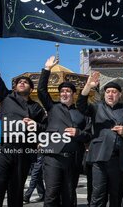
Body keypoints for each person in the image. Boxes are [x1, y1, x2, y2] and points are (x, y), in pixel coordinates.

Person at [0, 34, 47, 207]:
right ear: (14, 86)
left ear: (31, 88)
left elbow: (46, 128)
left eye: (25, 82)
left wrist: (37, 125)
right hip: (3, 149)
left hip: (23, 151)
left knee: (16, 192)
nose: (21, 83)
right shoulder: (6, 97)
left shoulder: (36, 108)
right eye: (19, 81)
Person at [38, 56, 91, 206]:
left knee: (69, 195)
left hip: (73, 160)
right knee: (52, 194)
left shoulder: (82, 113)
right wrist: (46, 69)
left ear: (73, 94)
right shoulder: (53, 108)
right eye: (62, 91)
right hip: (53, 158)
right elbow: (41, 91)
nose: (64, 93)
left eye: (68, 91)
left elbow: (89, 134)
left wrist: (78, 133)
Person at [77, 71, 123, 207]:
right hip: (100, 157)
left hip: (119, 158)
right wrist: (88, 86)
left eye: (114, 92)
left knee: (117, 195)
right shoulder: (97, 107)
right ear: (104, 94)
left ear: (120, 94)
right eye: (108, 91)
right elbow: (81, 105)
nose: (110, 94)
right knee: (98, 195)